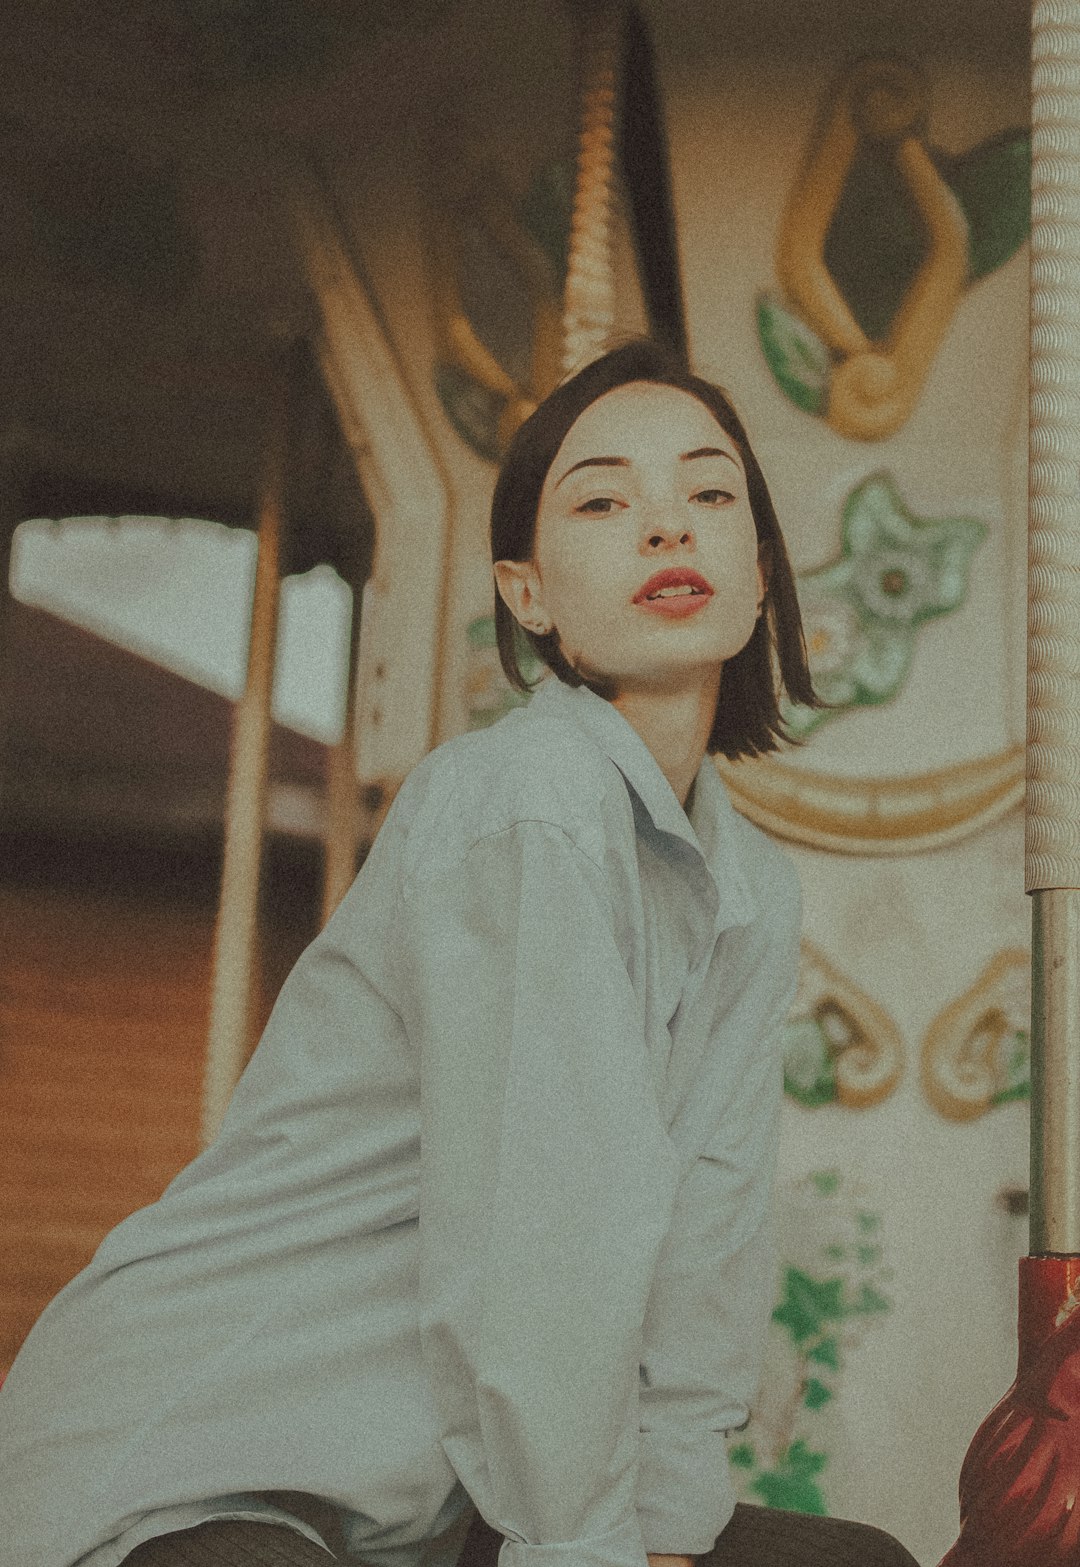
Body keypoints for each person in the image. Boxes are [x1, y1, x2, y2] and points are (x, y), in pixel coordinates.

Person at [0, 339, 918, 1567]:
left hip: (411, 1498)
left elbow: (707, 1244)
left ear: (759, 575)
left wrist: (666, 1532)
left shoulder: (748, 883)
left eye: (710, 494)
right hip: (194, 1451)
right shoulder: (527, 799)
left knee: (855, 1564)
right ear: (526, 594)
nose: (665, 526)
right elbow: (543, 1234)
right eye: (603, 500)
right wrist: (586, 1550)